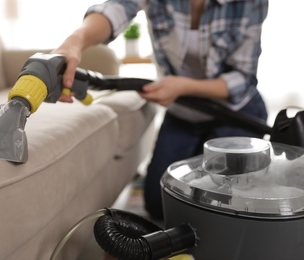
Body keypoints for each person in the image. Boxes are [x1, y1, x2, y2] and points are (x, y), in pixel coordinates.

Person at [53, 0, 269, 220]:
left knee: (225, 206)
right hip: (183, 113)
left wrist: (183, 86)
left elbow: (243, 78)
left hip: (236, 113)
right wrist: (75, 42)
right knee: (160, 204)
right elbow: (116, 8)